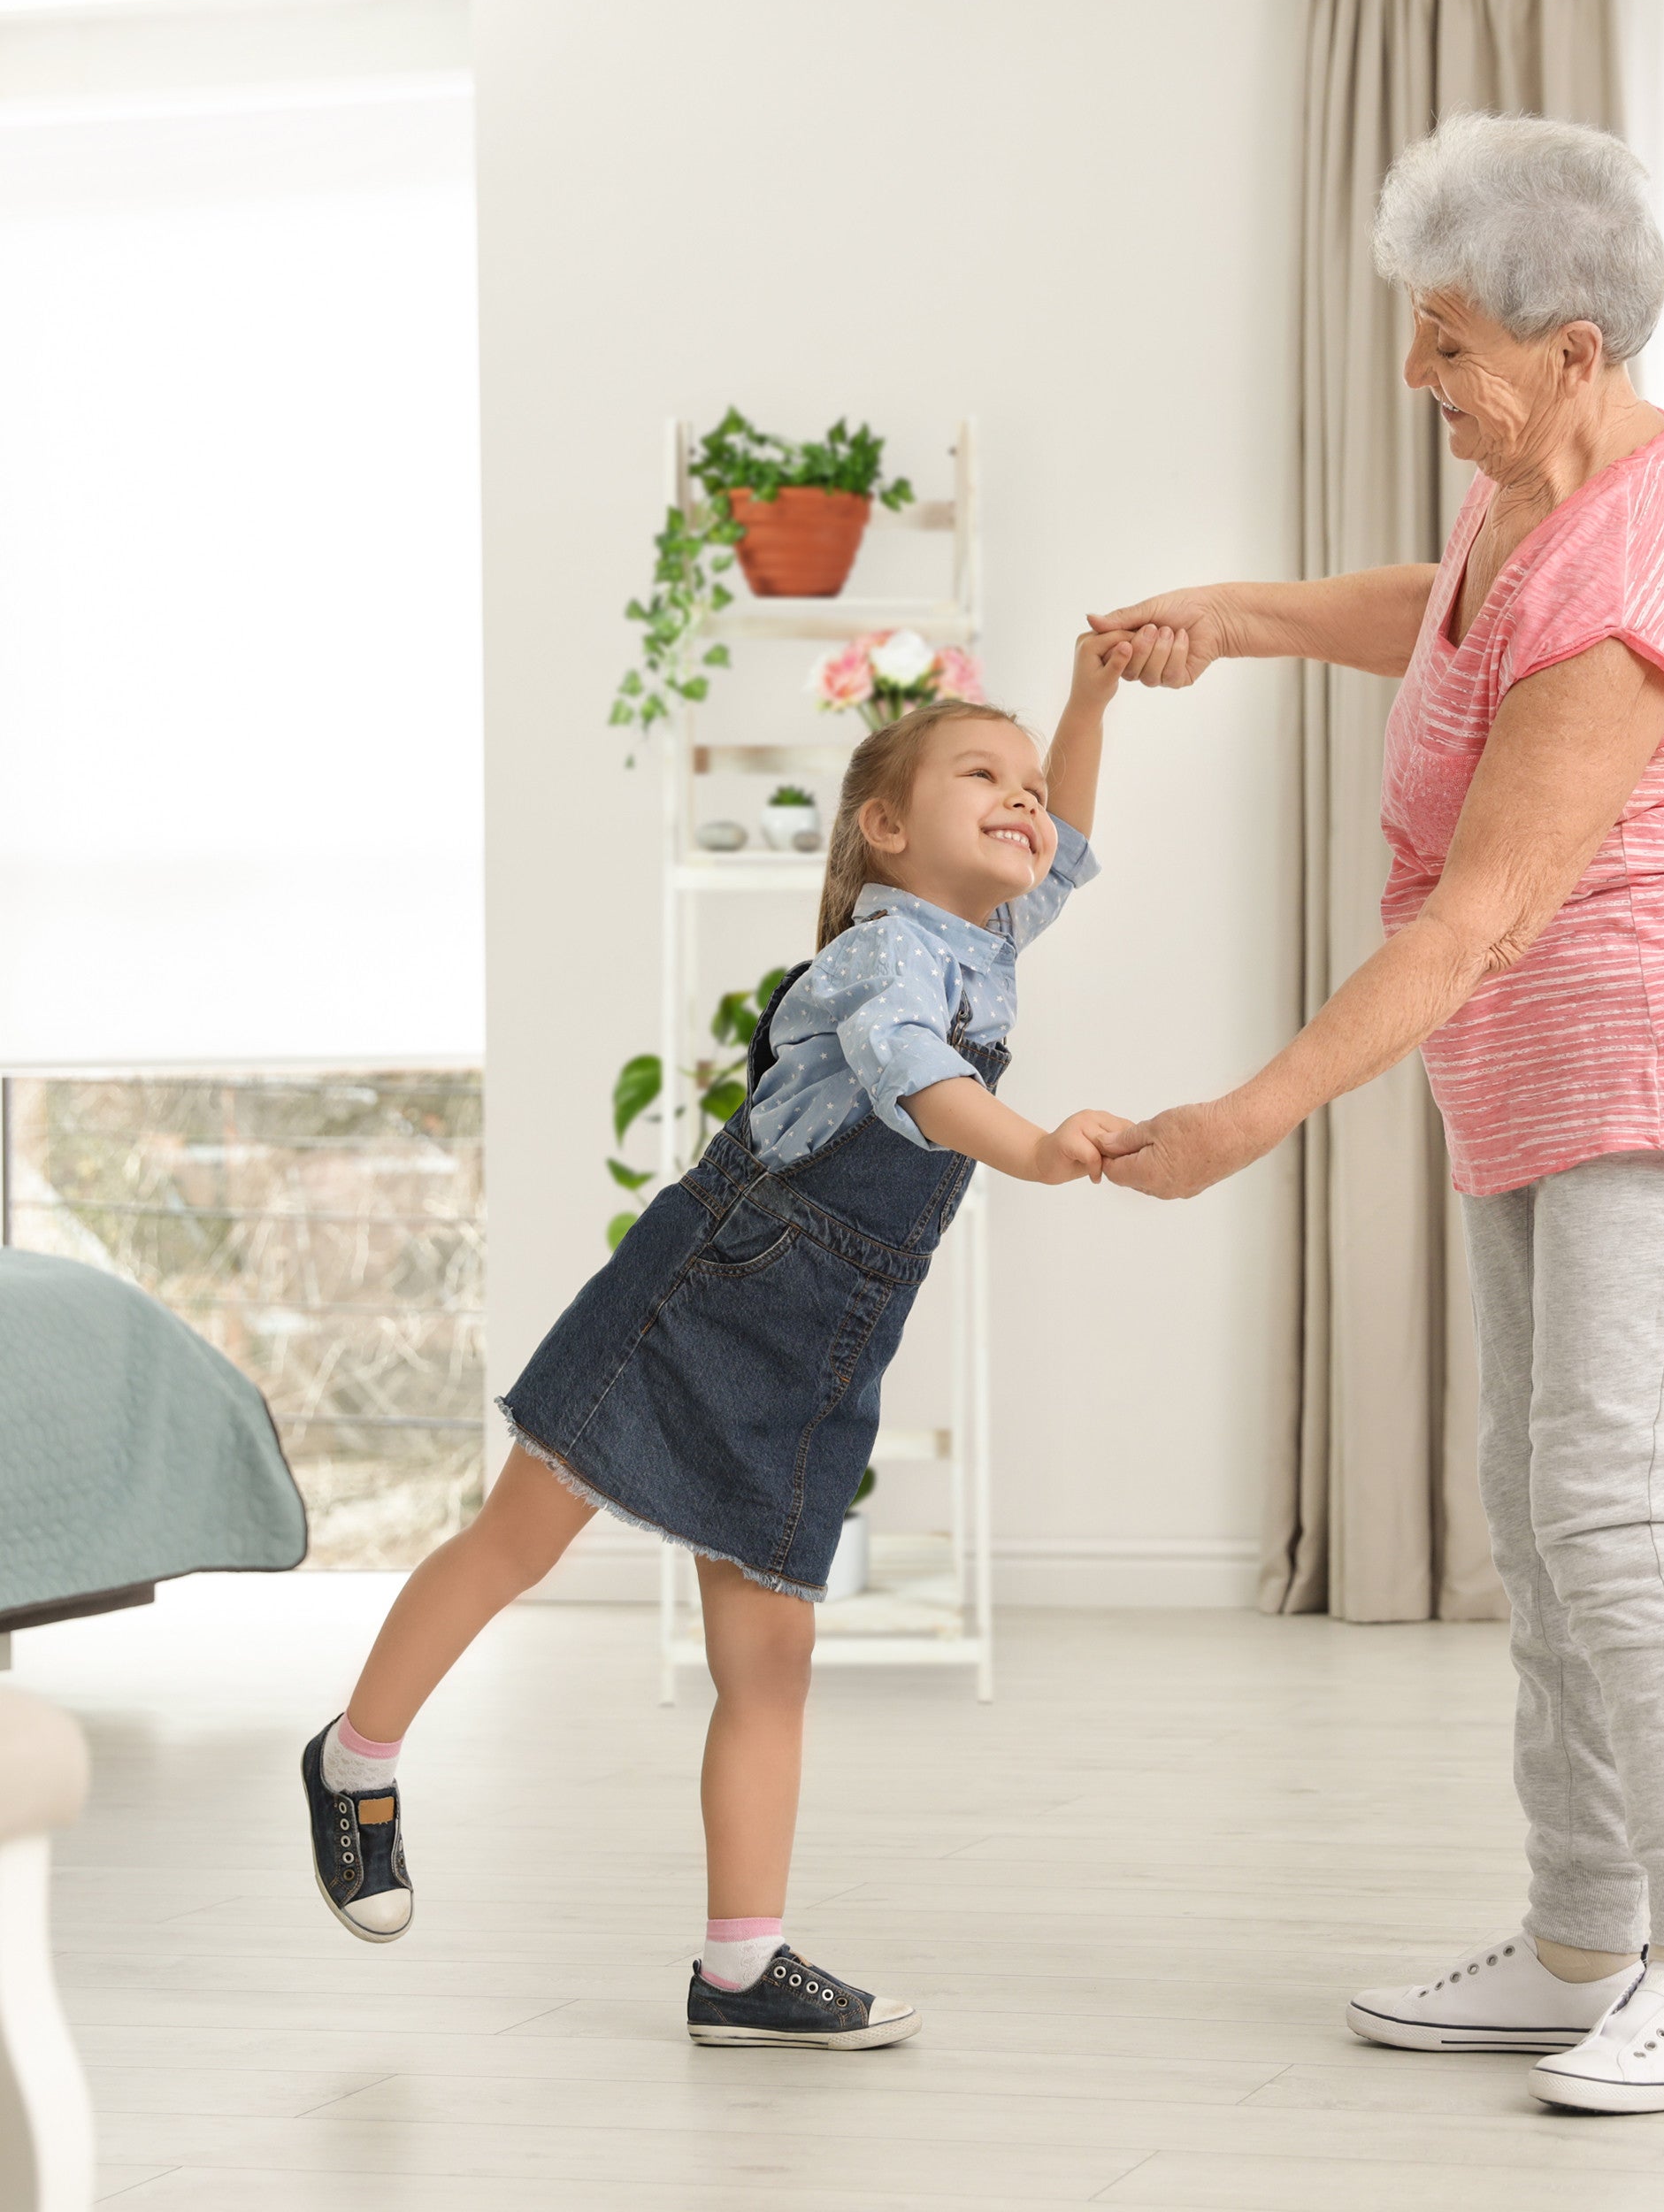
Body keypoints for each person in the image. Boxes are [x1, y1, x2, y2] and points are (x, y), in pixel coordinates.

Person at [1093, 113, 1664, 2115]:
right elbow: (1431, 608)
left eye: (1449, 350)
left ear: (1570, 350)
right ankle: (1583, 1929)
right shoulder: (1538, 503)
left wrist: (1247, 1118)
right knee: (1536, 1503)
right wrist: (1236, 616)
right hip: (1539, 1069)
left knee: (1623, 1505)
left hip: (1655, 1061)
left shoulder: (1626, 583)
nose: (1418, 382)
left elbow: (1480, 914)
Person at [299, 634, 1138, 2051]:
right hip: (708, 1292)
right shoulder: (883, 958)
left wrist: (1094, 701)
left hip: (817, 1352)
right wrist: (1044, 1152)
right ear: (885, 827)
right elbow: (925, 1087)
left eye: (1033, 785)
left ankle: (739, 1972)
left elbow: (1070, 851)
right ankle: (354, 1758)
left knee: (773, 1664)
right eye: (983, 776)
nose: (1027, 802)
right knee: (517, 1540)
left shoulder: (986, 943)